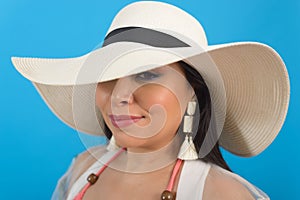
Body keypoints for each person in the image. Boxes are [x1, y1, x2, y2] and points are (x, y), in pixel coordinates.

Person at [12, 1, 290, 200]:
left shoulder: (220, 194)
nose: (120, 96)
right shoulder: (81, 170)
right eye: (107, 76)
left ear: (193, 90)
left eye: (146, 74)